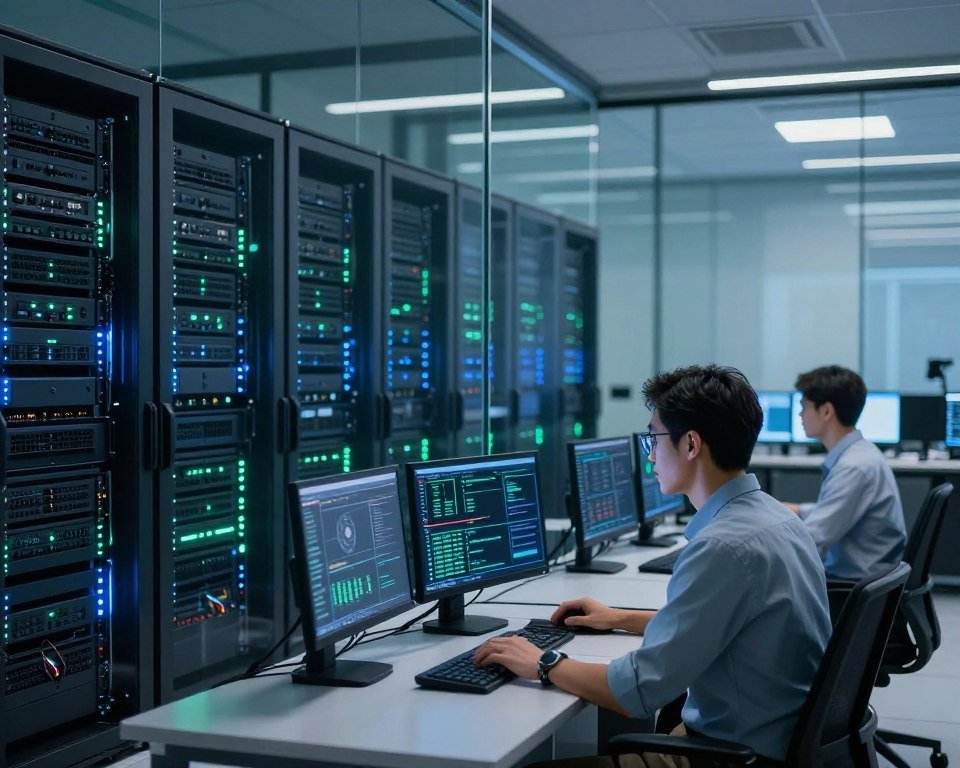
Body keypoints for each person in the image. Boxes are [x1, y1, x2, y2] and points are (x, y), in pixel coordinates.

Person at [474, 365, 831, 768]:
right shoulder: (777, 519)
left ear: (691, 444)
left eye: (654, 438)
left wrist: (543, 662)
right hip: (774, 737)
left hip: (734, 757)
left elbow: (635, 692)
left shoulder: (722, 548)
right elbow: (726, 622)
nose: (650, 455)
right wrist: (619, 617)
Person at [786, 365, 906, 580]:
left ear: (826, 411)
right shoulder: (860, 454)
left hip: (851, 586)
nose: (800, 414)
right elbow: (839, 510)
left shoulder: (854, 467)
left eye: (804, 406)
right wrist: (799, 511)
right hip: (870, 579)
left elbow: (813, 539)